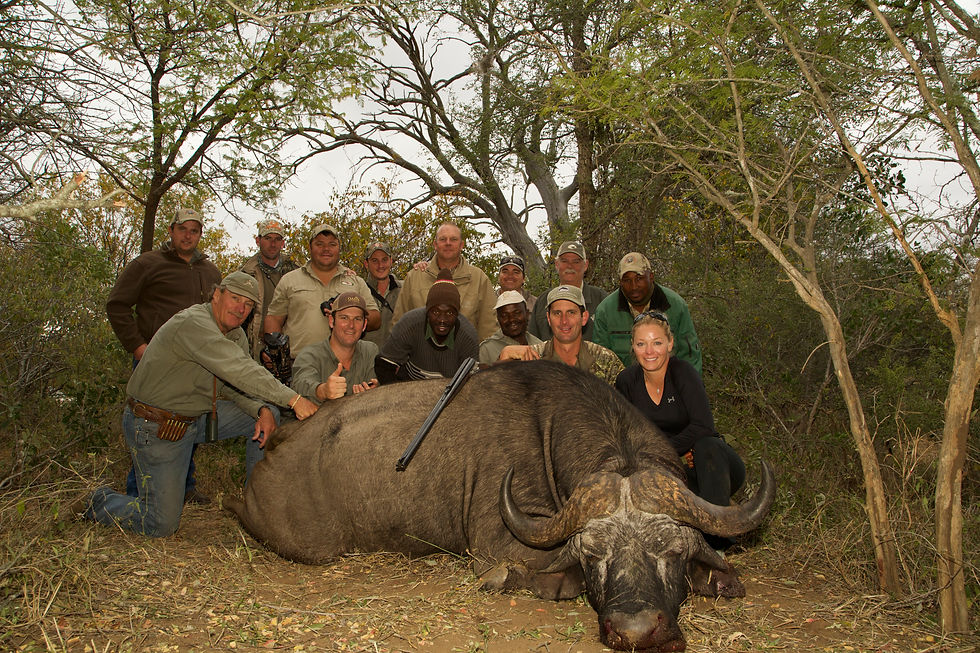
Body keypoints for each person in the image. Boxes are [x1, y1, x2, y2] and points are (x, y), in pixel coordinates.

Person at [82, 272, 319, 538]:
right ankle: (98, 500)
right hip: (156, 426)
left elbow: (232, 383)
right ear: (216, 295)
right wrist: (295, 399)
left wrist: (260, 410)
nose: (241, 308)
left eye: (249, 304)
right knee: (159, 524)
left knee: (267, 414)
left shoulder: (235, 335)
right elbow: (241, 370)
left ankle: (259, 504)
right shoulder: (193, 323)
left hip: (197, 418)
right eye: (236, 298)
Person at [105, 206, 222, 505]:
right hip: (156, 362)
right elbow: (117, 306)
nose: (188, 235)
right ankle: (139, 490)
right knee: (151, 425)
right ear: (171, 231)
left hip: (197, 364)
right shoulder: (148, 263)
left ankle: (185, 485)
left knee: (189, 420)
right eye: (182, 229)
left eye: (194, 230)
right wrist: (138, 347)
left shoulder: (210, 271)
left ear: (199, 235)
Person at [614, 312, 744, 549]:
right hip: (663, 474)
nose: (649, 351)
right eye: (641, 344)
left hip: (708, 468)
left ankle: (717, 544)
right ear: (633, 346)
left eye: (657, 343)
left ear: (670, 343)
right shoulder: (625, 381)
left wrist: (664, 450)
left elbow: (704, 426)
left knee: (708, 445)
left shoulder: (683, 373)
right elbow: (623, 436)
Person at [264, 224, 380, 357]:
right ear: (310, 247)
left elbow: (376, 320)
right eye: (319, 244)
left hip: (346, 364)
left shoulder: (355, 281)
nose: (326, 249)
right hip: (299, 363)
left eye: (332, 244)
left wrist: (348, 310)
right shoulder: (289, 280)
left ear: (339, 248)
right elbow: (273, 318)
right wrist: (275, 353)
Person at [594, 252, 702, 372]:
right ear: (620, 282)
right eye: (627, 280)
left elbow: (690, 356)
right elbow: (600, 361)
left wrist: (688, 387)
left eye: (639, 278)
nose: (634, 286)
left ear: (651, 276)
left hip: (669, 383)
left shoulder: (675, 305)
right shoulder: (605, 311)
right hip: (621, 386)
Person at [391, 223, 497, 340]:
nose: (448, 243)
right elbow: (399, 324)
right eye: (443, 239)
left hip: (465, 354)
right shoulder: (415, 277)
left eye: (453, 239)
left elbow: (489, 328)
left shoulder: (479, 278)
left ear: (461, 245)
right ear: (435, 245)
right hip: (420, 355)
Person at [498, 285, 623, 385]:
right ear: (548, 318)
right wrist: (503, 358)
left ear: (584, 317)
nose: (564, 321)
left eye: (571, 312)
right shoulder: (531, 359)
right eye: (557, 313)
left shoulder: (607, 361)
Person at [377, 268, 479, 382]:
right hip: (409, 385)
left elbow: (471, 383)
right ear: (427, 311)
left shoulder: (468, 337)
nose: (442, 319)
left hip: (449, 392)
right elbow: (383, 364)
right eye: (435, 312)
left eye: (450, 313)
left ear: (457, 314)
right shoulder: (409, 324)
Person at [291, 292, 379, 404]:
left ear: (364, 325)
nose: (351, 325)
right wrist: (323, 391)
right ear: (332, 321)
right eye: (344, 318)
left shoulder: (370, 351)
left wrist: (375, 391)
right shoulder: (309, 355)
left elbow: (376, 383)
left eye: (357, 319)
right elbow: (300, 384)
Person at [240, 218, 300, 360]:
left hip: (290, 346)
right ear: (258, 241)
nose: (273, 244)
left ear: (283, 243)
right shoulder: (246, 274)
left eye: (277, 239)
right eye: (268, 238)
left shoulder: (296, 270)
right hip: (256, 347)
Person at [528, 240, 608, 342]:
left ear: (586, 265)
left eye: (576, 261)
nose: (570, 266)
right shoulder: (543, 300)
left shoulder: (601, 299)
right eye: (564, 261)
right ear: (557, 264)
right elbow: (532, 341)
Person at [479, 290, 542, 365]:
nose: (511, 319)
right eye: (504, 316)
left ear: (527, 313)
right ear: (498, 319)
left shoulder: (538, 344)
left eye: (517, 313)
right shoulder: (487, 349)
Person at [361, 241, 402, 349]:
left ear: (391, 261)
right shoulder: (359, 291)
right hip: (368, 362)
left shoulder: (405, 288)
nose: (380, 265)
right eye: (375, 261)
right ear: (366, 264)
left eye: (384, 260)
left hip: (398, 360)